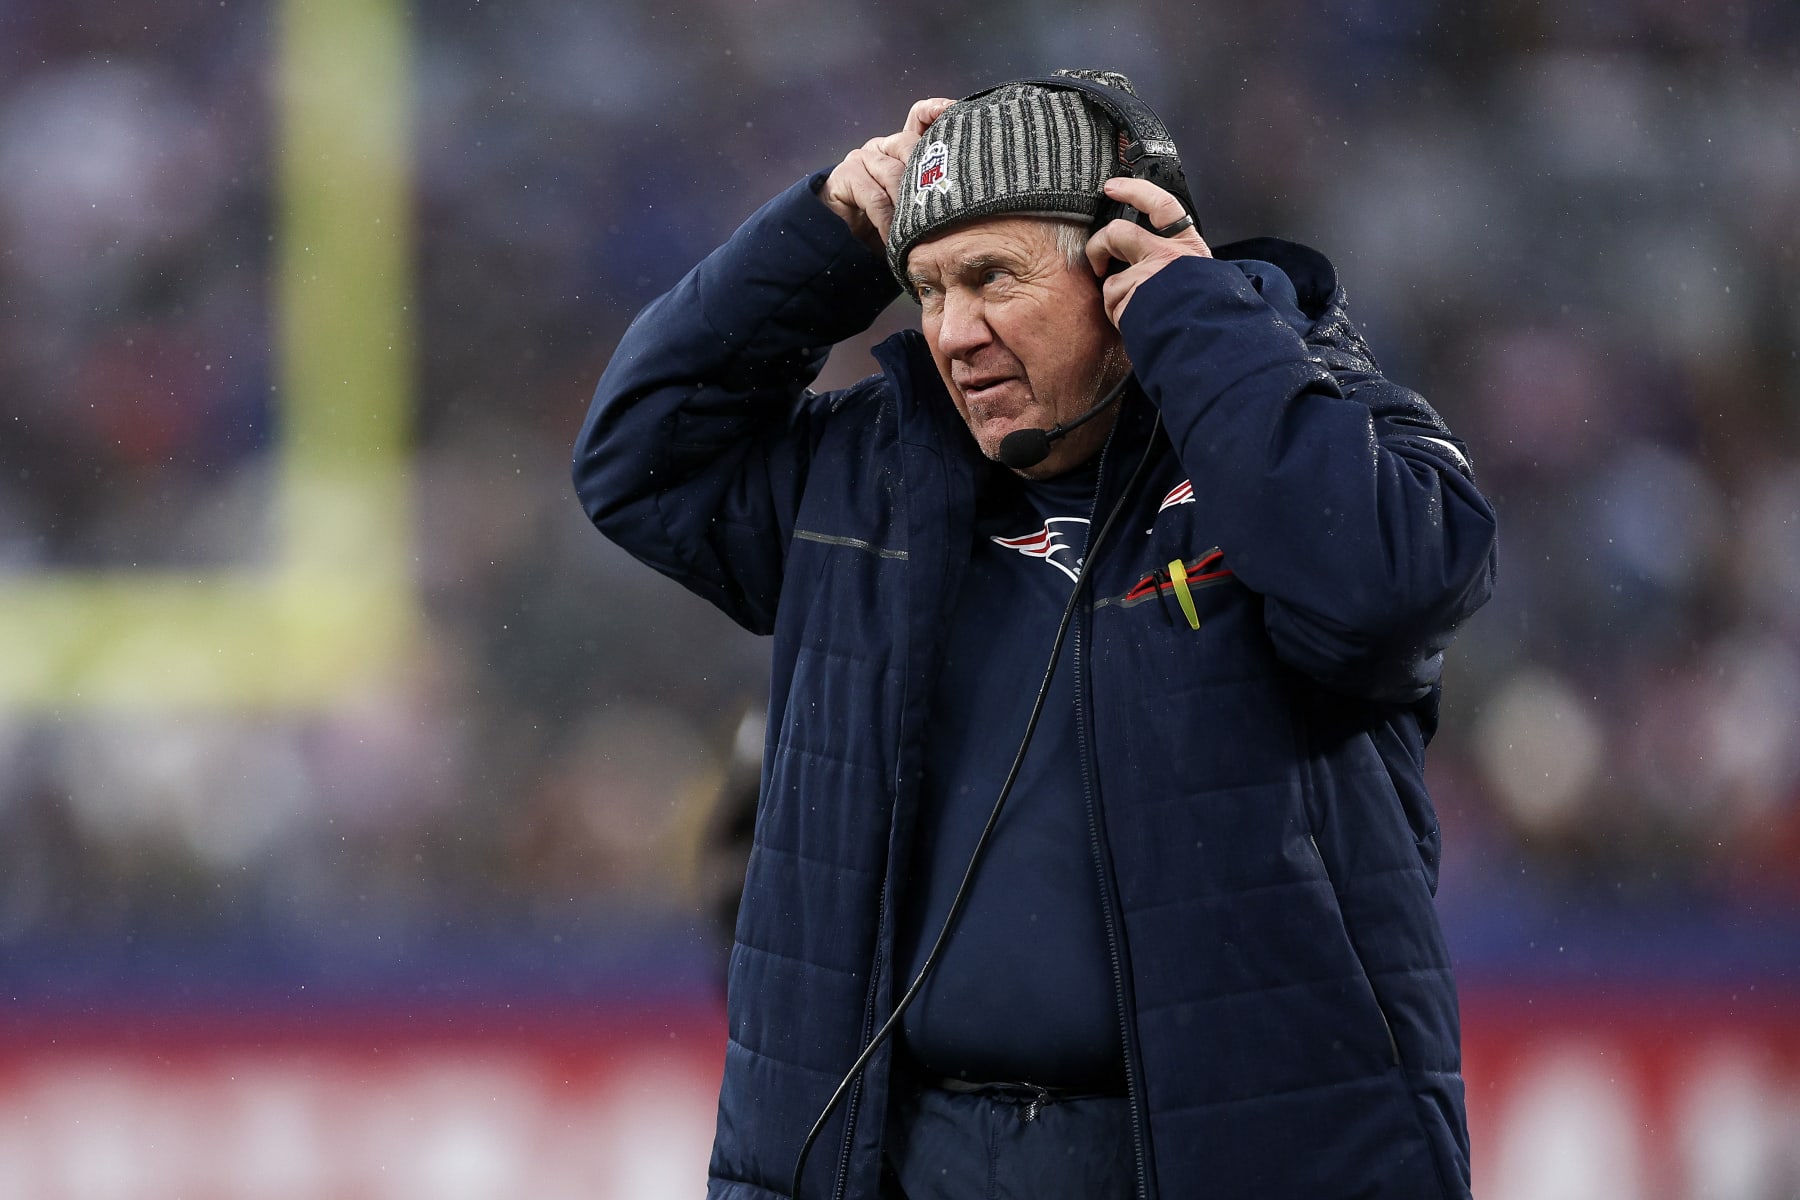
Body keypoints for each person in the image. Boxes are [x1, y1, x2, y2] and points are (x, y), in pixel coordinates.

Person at [575, 68, 1496, 1200]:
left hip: (1243, 1160)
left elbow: (1387, 586)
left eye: (992, 277)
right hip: (910, 1162)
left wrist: (1201, 319)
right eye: (924, 288)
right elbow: (636, 462)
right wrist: (821, 239)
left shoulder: (1316, 430)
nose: (953, 333)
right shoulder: (862, 481)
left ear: (1119, 260)